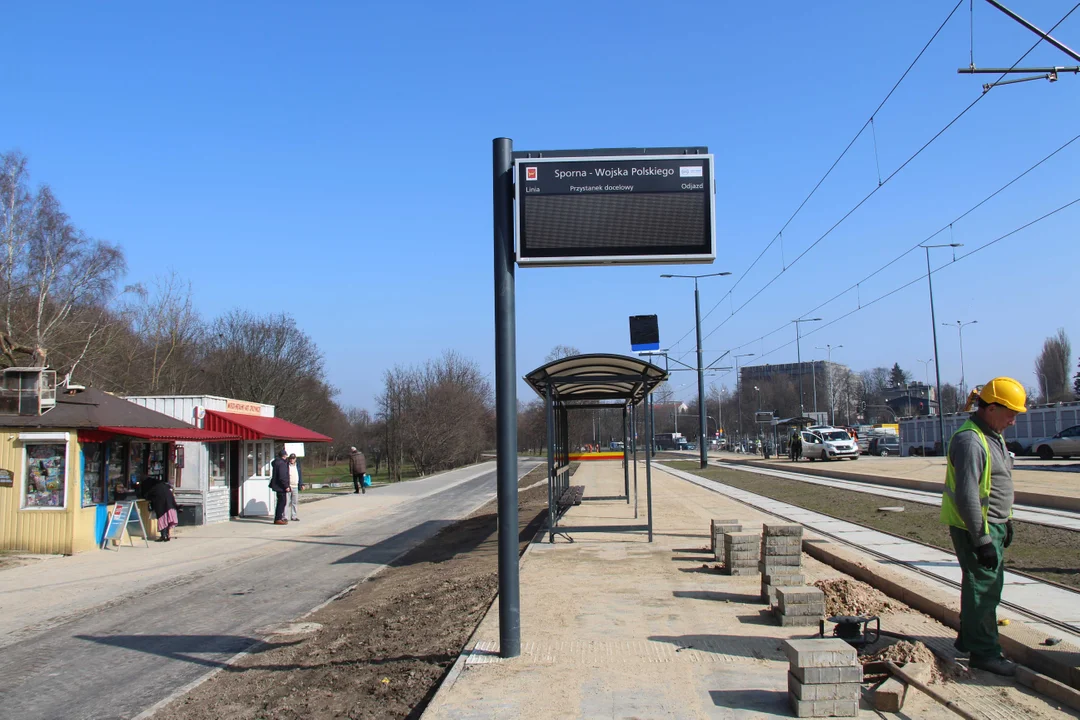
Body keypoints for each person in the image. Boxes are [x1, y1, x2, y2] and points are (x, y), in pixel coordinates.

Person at [940, 376, 1026, 677]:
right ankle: (985, 653)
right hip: (976, 528)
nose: (1013, 421)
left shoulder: (993, 434)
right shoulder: (970, 440)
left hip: (994, 525)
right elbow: (967, 496)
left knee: (984, 585)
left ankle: (971, 639)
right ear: (991, 408)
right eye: (1011, 413)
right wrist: (982, 540)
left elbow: (997, 484)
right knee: (984, 589)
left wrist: (1007, 520)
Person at [140, 475, 179, 542]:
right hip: (169, 502)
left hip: (161, 503)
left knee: (162, 518)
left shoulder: (149, 485)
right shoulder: (159, 484)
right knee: (167, 518)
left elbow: (146, 495)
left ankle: (163, 536)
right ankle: (167, 535)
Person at [269, 448, 291, 524]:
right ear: (284, 456)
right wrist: (286, 486)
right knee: (282, 502)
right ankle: (278, 518)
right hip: (281, 486)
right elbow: (282, 476)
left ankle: (279, 517)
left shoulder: (276, 462)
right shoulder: (281, 464)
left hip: (277, 485)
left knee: (281, 502)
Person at [287, 453, 302, 522]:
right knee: (287, 502)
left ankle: (294, 516)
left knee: (295, 502)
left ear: (295, 459)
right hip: (289, 486)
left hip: (295, 486)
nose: (292, 460)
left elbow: (300, 475)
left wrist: (301, 484)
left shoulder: (298, 466)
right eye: (291, 458)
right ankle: (285, 517)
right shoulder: (287, 466)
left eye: (293, 458)